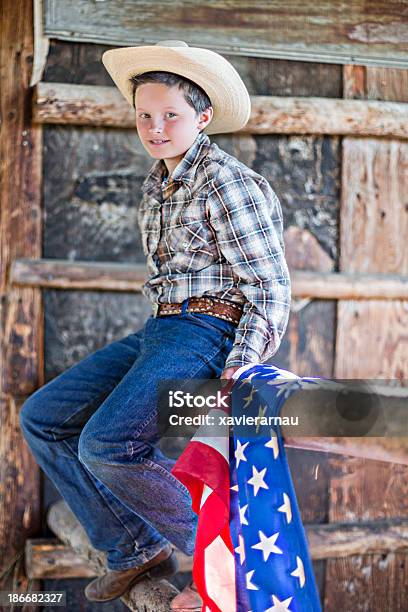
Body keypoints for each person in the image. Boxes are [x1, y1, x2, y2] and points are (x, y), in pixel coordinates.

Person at [19, 40, 291, 609]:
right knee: (44, 417)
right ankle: (133, 548)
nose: (156, 127)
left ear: (203, 116)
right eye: (145, 115)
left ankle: (225, 559)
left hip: (211, 330)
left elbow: (268, 286)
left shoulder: (227, 182)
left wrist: (243, 363)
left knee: (110, 443)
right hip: (163, 327)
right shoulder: (158, 185)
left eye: (171, 115)